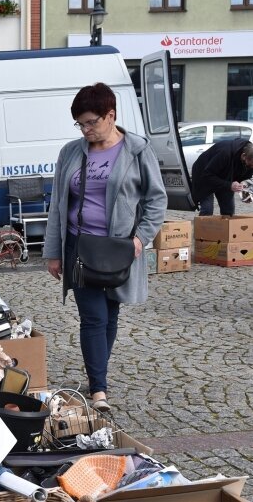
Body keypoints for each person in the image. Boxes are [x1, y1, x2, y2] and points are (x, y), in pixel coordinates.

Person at [43, 83, 167, 412]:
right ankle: (99, 389)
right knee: (93, 318)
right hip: (79, 247)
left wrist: (140, 239)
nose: (85, 130)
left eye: (91, 122)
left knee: (111, 314)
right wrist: (53, 251)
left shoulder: (138, 151)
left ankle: (98, 369)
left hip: (119, 249)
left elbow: (157, 200)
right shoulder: (71, 152)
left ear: (110, 115)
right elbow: (58, 202)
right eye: (80, 124)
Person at [191, 139, 253, 216]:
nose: (251, 167)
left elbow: (246, 178)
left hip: (226, 177)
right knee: (207, 209)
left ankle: (225, 227)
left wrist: (245, 193)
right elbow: (207, 175)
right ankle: (203, 227)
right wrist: (229, 185)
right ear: (243, 156)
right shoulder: (225, 153)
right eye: (250, 165)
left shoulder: (249, 160)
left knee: (228, 211)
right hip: (204, 175)